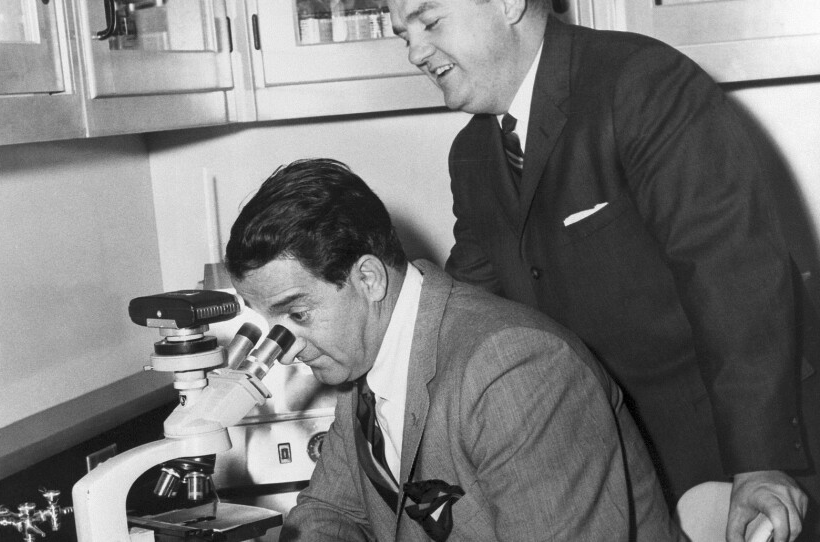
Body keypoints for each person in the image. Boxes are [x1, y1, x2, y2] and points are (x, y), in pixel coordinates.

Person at [387, 0, 820, 540]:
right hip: (618, 464)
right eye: (402, 34)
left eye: (428, 22)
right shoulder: (473, 153)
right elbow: (469, 316)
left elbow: (736, 278)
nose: (415, 51)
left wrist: (759, 462)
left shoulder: (643, 83)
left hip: (736, 449)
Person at [224, 158, 682, 541]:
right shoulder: (363, 366)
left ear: (368, 279)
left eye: (297, 315)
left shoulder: (514, 369)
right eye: (271, 324)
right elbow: (332, 512)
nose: (284, 350)